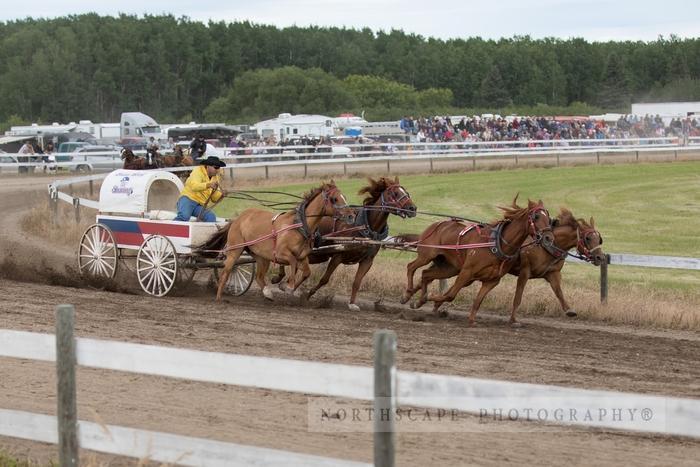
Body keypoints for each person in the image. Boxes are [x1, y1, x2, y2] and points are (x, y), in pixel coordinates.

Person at [174, 156, 226, 222]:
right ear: (208, 166)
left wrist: (221, 195)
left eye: (218, 168)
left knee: (211, 217)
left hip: (200, 205)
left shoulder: (216, 178)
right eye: (216, 167)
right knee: (184, 217)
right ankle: (168, 231)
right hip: (188, 199)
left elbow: (214, 198)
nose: (218, 170)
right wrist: (208, 185)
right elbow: (194, 186)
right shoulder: (198, 171)